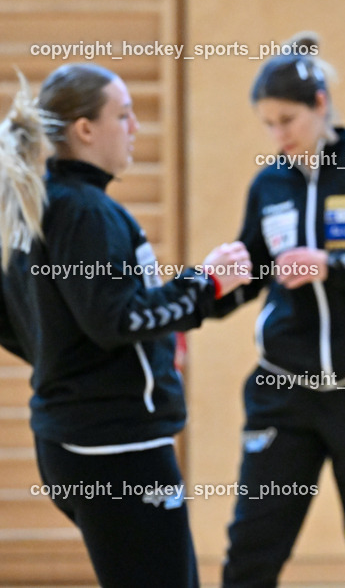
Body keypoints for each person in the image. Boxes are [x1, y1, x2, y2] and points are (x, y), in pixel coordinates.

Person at [0, 64, 251, 587]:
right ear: (85, 129)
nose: (136, 126)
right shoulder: (83, 212)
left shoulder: (40, 204)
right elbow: (119, 319)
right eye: (123, 115)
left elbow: (32, 323)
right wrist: (204, 283)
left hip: (73, 443)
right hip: (117, 449)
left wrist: (213, 292)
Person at [213, 34, 345, 588]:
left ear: (320, 104)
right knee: (249, 559)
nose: (277, 135)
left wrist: (332, 265)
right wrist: (201, 288)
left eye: (286, 120)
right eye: (267, 124)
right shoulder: (269, 185)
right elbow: (248, 276)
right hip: (283, 394)